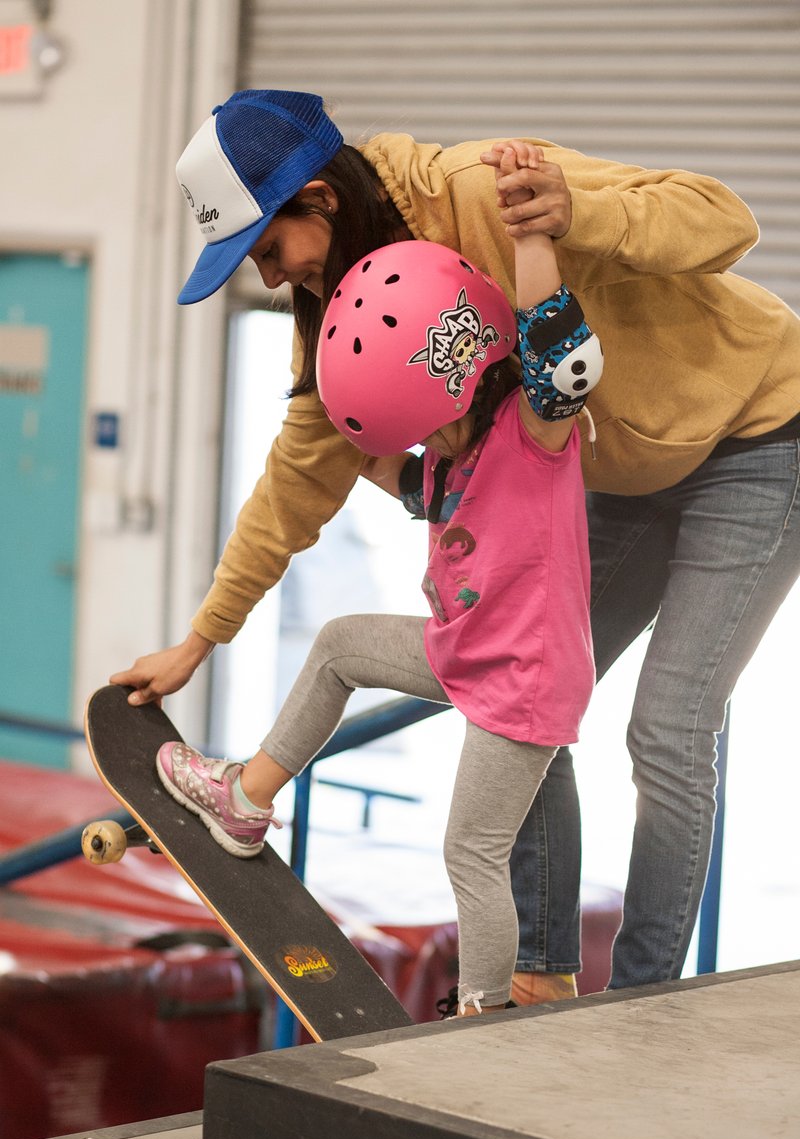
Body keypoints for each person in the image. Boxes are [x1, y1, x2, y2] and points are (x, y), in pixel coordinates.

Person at [112, 88, 800, 1001]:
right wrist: (205, 635)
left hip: (759, 428)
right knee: (524, 702)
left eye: (269, 250)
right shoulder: (345, 311)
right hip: (618, 470)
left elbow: (725, 221)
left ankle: (642, 1005)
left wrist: (577, 211)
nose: (270, 278)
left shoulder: (481, 193)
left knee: (667, 724)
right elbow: (304, 471)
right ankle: (541, 979)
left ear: (318, 198)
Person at [154, 175, 601, 1015]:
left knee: (471, 850)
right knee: (336, 646)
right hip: (465, 647)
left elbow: (556, 343)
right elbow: (371, 466)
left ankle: (483, 1011)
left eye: (421, 422)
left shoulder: (535, 432)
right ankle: (246, 801)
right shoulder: (446, 460)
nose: (422, 445)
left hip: (525, 677)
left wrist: (531, 237)